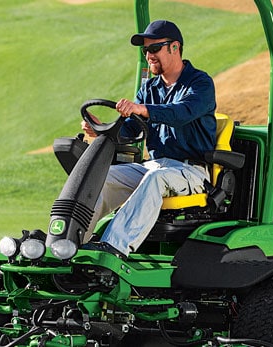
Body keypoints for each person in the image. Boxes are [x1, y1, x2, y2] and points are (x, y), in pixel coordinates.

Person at [80, 20, 217, 257]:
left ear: (175, 47)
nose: (149, 55)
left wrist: (144, 109)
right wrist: (101, 129)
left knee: (155, 179)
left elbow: (182, 113)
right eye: (146, 50)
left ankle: (113, 247)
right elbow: (132, 129)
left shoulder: (200, 83)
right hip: (155, 166)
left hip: (191, 171)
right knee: (102, 177)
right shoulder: (150, 87)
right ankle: (72, 244)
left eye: (154, 49)